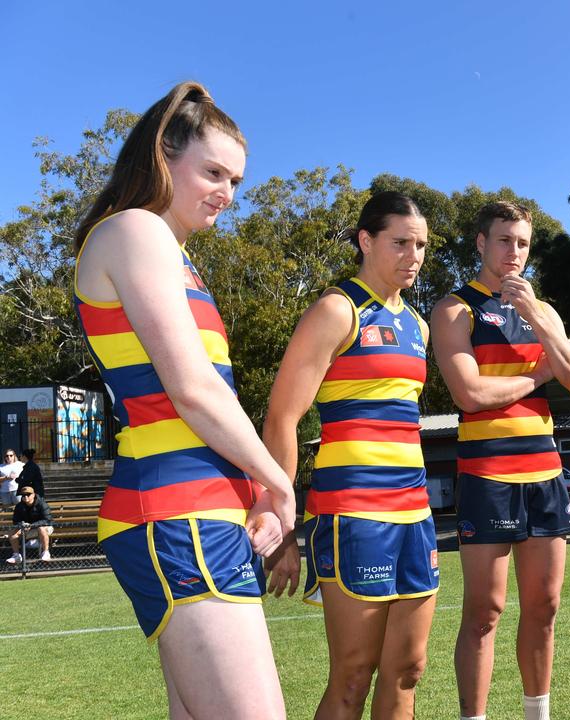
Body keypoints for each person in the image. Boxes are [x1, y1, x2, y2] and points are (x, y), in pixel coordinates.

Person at [71, 81, 293, 719]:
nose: (227, 192)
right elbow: (191, 391)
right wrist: (278, 481)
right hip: (175, 510)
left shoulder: (174, 255)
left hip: (202, 511)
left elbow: (209, 394)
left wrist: (252, 493)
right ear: (164, 157)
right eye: (214, 171)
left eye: (238, 181)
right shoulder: (135, 230)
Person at [262, 190, 439, 718]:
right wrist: (281, 522)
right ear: (366, 240)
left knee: (408, 670)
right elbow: (282, 418)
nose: (414, 255)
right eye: (401, 242)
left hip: (416, 515)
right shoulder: (337, 310)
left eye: (422, 245)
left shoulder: (418, 325)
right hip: (353, 516)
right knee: (353, 674)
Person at [431, 201, 570, 720]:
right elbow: (469, 394)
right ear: (481, 244)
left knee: (544, 607)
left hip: (545, 474)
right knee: (485, 612)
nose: (514, 252)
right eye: (504, 241)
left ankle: (538, 713)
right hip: (488, 475)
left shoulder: (544, 312)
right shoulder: (454, 309)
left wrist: (536, 314)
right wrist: (538, 376)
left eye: (523, 243)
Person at [6, 486, 53, 563]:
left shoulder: (42, 504)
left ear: (33, 495)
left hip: (46, 527)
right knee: (12, 533)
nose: (25, 496)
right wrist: (22, 525)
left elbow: (47, 520)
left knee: (41, 528)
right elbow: (15, 521)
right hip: (27, 528)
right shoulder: (19, 506)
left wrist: (31, 525)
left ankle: (46, 552)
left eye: (28, 494)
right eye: (23, 495)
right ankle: (16, 555)